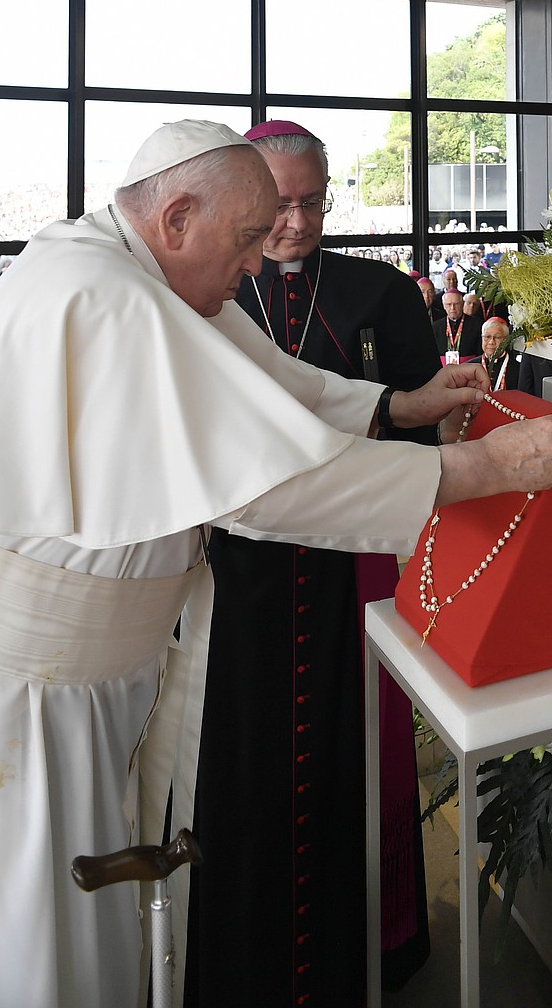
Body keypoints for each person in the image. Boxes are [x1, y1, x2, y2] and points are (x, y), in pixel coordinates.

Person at [0, 120, 552, 1008]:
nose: (255, 265)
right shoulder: (105, 295)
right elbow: (259, 486)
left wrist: (395, 402)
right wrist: (475, 470)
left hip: (87, 670)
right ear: (179, 214)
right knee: (33, 931)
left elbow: (269, 381)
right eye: (244, 241)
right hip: (29, 687)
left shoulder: (129, 263)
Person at [188, 121, 441, 1006]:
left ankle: (374, 943)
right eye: (277, 205)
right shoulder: (210, 296)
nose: (292, 224)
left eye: (310, 200)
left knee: (354, 764)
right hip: (241, 583)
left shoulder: (378, 290)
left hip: (353, 572)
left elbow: (409, 413)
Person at [433, 287, 482, 363]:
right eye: (449, 304)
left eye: (456, 304)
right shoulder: (435, 327)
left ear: (462, 304)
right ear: (444, 306)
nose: (453, 308)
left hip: (469, 369)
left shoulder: (477, 325)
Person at [481, 314, 518, 393]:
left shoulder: (518, 369)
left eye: (497, 337)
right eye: (487, 337)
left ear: (506, 341)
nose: (491, 342)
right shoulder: (471, 365)